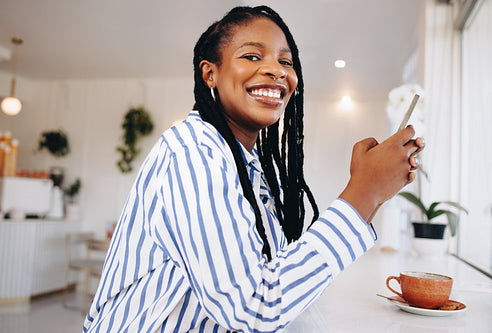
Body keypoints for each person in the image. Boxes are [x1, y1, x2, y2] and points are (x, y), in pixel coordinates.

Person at [83, 6, 424, 332]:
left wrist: (375, 189)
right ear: (210, 73)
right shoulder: (193, 152)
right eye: (252, 56)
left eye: (285, 61)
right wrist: (364, 192)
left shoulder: (246, 165)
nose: (276, 70)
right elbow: (252, 305)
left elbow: (275, 276)